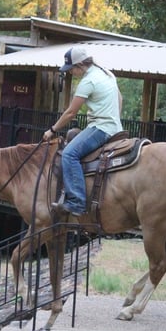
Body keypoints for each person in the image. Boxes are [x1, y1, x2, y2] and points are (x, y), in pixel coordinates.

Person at [42, 46, 123, 216]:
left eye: (71, 69)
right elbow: (119, 98)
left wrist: (52, 129)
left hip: (101, 128)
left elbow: (71, 112)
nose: (71, 73)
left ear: (79, 65)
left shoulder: (88, 81)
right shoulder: (106, 73)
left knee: (69, 154)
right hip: (115, 126)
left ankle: (77, 202)